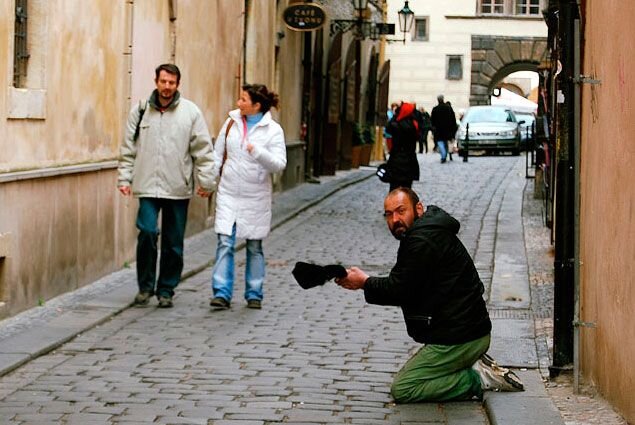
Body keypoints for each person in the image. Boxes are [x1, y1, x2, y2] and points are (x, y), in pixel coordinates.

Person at [335, 187, 524, 403]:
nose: (395, 219)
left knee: (405, 388)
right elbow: (407, 283)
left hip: (461, 337)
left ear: (418, 208)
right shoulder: (426, 231)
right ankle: (469, 363)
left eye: (400, 211)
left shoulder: (422, 240)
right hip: (465, 331)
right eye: (389, 214)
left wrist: (364, 282)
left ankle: (476, 378)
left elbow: (399, 289)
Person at [118, 63, 216, 309]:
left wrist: (206, 182)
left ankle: (166, 289)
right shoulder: (140, 111)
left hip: (177, 186)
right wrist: (124, 178)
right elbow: (128, 148)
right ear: (156, 81)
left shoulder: (190, 113)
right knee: (148, 232)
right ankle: (145, 287)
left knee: (173, 242)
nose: (167, 87)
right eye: (163, 82)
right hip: (147, 185)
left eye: (171, 83)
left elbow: (203, 150)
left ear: (177, 84)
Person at [209, 84, 287, 311]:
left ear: (256, 105)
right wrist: (209, 183)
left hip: (255, 196)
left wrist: (257, 152)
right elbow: (218, 154)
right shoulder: (231, 122)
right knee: (225, 241)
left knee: (254, 245)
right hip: (229, 192)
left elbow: (279, 164)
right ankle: (221, 293)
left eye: (243, 99)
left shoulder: (273, 130)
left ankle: (254, 293)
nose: (238, 103)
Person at [384, 102, 420, 191]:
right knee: (407, 188)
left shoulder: (394, 124)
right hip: (410, 159)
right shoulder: (414, 124)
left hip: (396, 158)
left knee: (394, 187)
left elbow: (388, 136)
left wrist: (395, 116)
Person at [431, 95, 457, 163]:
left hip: (438, 130)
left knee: (440, 142)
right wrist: (453, 129)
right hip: (447, 129)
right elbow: (453, 119)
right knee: (445, 142)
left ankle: (443, 156)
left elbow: (432, 121)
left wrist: (433, 129)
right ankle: (444, 155)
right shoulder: (448, 108)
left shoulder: (435, 109)